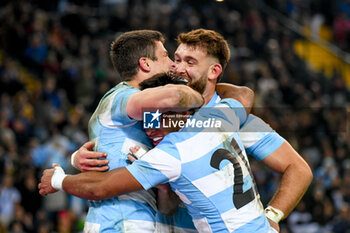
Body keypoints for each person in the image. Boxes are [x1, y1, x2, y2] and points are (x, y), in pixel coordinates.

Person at [65, 29, 313, 232]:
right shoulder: (159, 112)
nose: (177, 67)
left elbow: (299, 168)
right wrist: (77, 156)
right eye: (176, 58)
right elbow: (115, 133)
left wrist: (272, 216)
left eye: (190, 62)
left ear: (214, 71)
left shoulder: (238, 120)